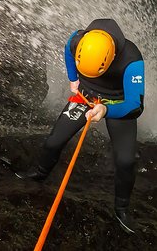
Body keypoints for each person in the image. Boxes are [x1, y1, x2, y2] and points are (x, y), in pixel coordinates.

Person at [16, 18, 145, 234]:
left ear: (112, 57)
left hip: (117, 103)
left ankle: (121, 208)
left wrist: (106, 110)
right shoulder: (78, 40)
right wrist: (73, 78)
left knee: (126, 160)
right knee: (53, 141)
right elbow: (68, 50)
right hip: (85, 96)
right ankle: (39, 173)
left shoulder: (132, 60)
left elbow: (135, 105)